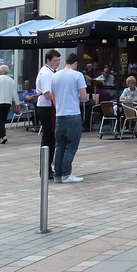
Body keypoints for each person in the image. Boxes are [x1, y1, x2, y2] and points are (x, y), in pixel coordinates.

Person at [49, 52, 87, 183]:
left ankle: (57, 174)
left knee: (60, 146)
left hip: (60, 115)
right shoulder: (78, 75)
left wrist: (59, 106)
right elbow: (83, 96)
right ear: (76, 63)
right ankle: (66, 174)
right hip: (73, 114)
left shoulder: (55, 76)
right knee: (71, 146)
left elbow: (53, 96)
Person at [0, 64, 21, 144]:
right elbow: (14, 92)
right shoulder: (10, 80)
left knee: (0, 120)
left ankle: (4, 135)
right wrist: (17, 103)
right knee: (3, 119)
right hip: (7, 102)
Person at [36, 50, 61, 151]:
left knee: (51, 136)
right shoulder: (46, 73)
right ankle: (46, 164)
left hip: (48, 107)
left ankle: (48, 162)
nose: (58, 63)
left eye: (59, 60)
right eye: (55, 60)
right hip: (46, 108)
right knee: (48, 137)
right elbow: (47, 95)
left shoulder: (50, 72)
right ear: (48, 60)